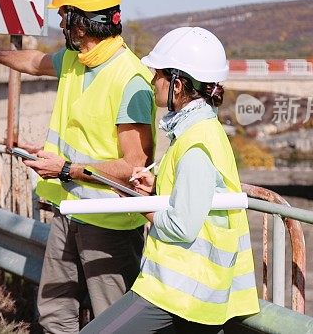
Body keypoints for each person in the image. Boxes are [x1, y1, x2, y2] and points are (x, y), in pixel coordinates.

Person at [0, 0, 156, 333]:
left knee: (113, 320)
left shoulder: (130, 80)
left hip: (110, 222)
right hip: (71, 211)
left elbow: (134, 167)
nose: (61, 23)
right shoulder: (76, 60)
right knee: (53, 309)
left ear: (82, 22)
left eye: (65, 15)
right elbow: (34, 62)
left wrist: (65, 168)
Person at [81, 27, 260, 334]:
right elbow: (194, 196)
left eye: (158, 74)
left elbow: (182, 224)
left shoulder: (197, 142)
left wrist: (140, 205)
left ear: (177, 84)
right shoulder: (198, 131)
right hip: (189, 288)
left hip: (179, 289)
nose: (153, 82)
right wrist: (156, 190)